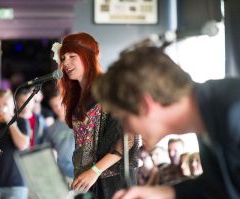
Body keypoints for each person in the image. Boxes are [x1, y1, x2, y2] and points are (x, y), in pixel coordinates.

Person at [92, 40, 240, 199]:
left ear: (144, 105)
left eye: (123, 118)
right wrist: (163, 194)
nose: (126, 129)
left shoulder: (234, 111)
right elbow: (218, 189)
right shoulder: (205, 124)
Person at [52, 32, 139, 198]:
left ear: (87, 57)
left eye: (72, 56)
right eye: (63, 58)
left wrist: (95, 170)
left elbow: (129, 137)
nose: (66, 63)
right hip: (89, 184)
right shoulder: (76, 96)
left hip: (114, 183)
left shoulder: (110, 89)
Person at [0, 89, 30, 199]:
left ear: (13, 105)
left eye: (4, 104)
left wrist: (9, 120)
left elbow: (22, 145)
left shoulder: (22, 122)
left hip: (16, 185)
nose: (0, 108)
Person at [43, 91, 75, 181]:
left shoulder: (80, 121)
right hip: (62, 175)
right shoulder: (51, 129)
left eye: (60, 103)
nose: (58, 108)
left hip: (83, 173)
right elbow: (48, 152)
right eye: (54, 106)